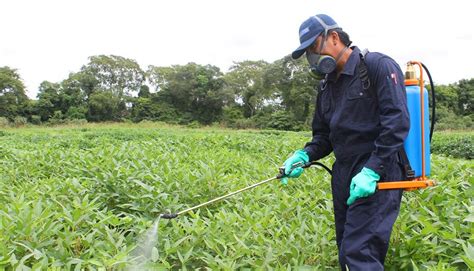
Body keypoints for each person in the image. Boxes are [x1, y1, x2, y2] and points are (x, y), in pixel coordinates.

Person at [281, 14, 410, 270]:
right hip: (343, 173)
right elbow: (324, 136)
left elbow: (397, 122)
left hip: (377, 171)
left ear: (335, 37)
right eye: (307, 52)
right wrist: (305, 155)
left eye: (313, 47)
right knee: (347, 250)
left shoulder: (376, 66)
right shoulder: (327, 86)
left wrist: (373, 170)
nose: (312, 57)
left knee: (358, 253)